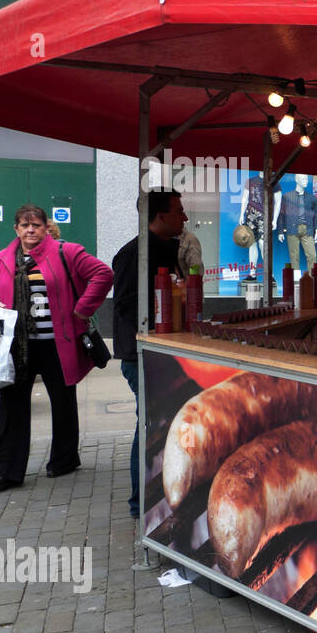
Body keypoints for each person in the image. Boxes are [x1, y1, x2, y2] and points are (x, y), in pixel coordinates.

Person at [0, 205, 112, 492]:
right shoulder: (5, 258)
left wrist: (82, 309)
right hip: (18, 346)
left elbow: (103, 274)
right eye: (23, 225)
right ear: (16, 229)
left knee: (63, 400)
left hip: (58, 344)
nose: (30, 230)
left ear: (46, 227)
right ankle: (6, 472)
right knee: (12, 405)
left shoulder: (66, 251)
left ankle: (64, 459)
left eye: (35, 225)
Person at [112, 191, 186, 516]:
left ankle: (148, 499)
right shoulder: (134, 254)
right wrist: (157, 322)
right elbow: (126, 304)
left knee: (155, 422)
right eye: (179, 211)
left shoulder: (167, 249)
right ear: (160, 216)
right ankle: (139, 503)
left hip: (160, 349)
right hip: (141, 353)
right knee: (150, 424)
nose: (184, 218)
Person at [277, 174, 317, 271]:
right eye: (303, 179)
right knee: (294, 257)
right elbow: (281, 215)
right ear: (296, 180)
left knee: (312, 255)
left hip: (308, 230)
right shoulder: (287, 197)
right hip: (292, 229)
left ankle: (311, 281)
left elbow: (316, 216)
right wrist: (280, 231)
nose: (306, 181)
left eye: (307, 179)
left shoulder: (312, 199)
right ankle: (295, 282)